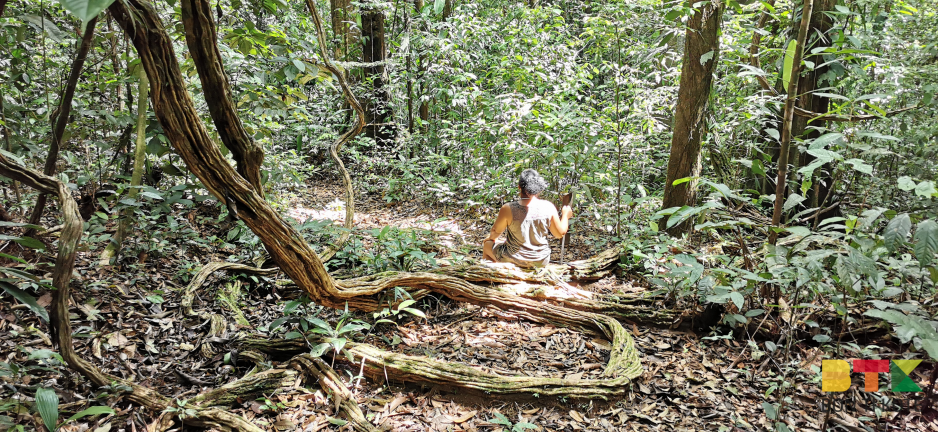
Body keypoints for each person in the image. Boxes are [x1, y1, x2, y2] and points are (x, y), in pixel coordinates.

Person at [482, 169, 573, 268]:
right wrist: (565, 215)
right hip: (541, 260)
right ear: (538, 188)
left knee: (487, 244)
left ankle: (491, 277)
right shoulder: (548, 206)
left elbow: (495, 231)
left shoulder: (508, 208)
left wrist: (490, 239)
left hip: (514, 259)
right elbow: (559, 234)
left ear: (519, 187)